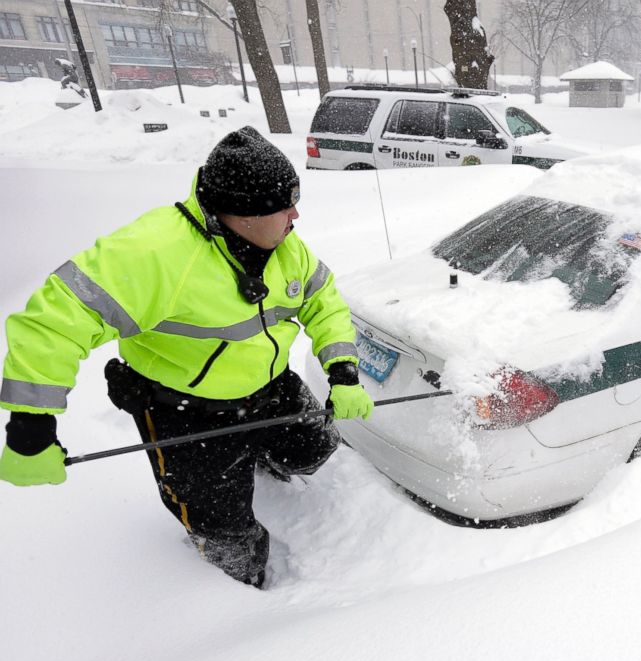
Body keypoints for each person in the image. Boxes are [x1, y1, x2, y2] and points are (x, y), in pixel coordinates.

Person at [0, 126, 373, 588]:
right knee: (224, 528)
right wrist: (30, 423)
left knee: (316, 448)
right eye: (285, 205)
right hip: (185, 414)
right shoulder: (155, 253)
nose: (296, 214)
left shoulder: (286, 247)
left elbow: (324, 301)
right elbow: (55, 320)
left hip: (270, 386)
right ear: (242, 213)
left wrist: (343, 371)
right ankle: (239, 598)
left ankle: (266, 460)